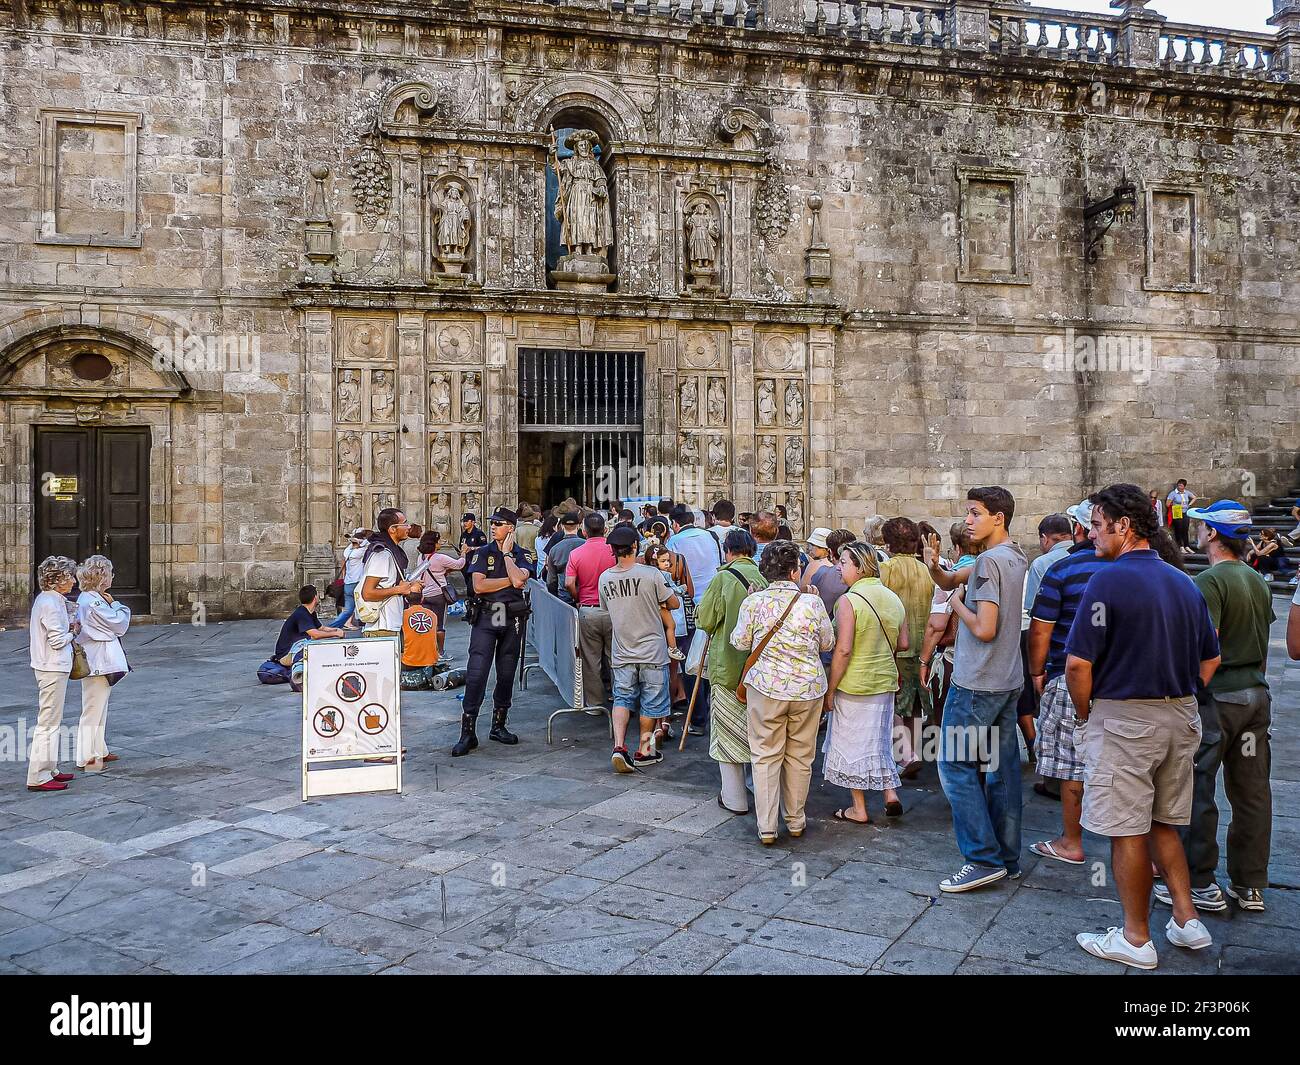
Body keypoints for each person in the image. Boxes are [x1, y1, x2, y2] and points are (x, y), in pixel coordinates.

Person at [1067, 484, 1220, 970]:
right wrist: (1179, 691)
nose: (1091, 534)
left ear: (1123, 525)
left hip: (1126, 717)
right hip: (1180, 716)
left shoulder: (1106, 583)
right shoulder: (1183, 581)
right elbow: (1211, 657)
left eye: (1095, 524)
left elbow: (1076, 665)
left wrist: (1086, 712)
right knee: (1164, 822)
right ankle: (1186, 916)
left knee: (1126, 830)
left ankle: (1135, 938)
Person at [1158, 500, 1274, 914]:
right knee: (1252, 793)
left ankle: (1200, 880)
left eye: (1202, 527)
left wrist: (1190, 692)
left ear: (1211, 534)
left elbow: (1205, 645)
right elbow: (1262, 649)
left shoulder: (1209, 581)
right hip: (1255, 697)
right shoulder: (1256, 580)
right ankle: (1249, 884)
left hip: (1218, 698)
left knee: (1197, 788)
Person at [925, 487, 1028, 893]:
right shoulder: (1014, 555)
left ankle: (981, 858)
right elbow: (950, 577)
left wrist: (955, 606)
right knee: (1001, 772)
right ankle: (1005, 858)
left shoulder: (988, 562)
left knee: (954, 767)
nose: (968, 520)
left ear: (998, 517)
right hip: (1007, 679)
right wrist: (934, 567)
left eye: (975, 513)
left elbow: (983, 628)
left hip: (976, 682)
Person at [730, 541, 835, 845]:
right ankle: (796, 819)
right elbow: (827, 643)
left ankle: (766, 826)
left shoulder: (754, 603)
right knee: (801, 755)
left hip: (766, 688)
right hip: (807, 688)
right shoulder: (812, 603)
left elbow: (739, 642)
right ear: (793, 571)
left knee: (764, 755)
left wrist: (750, 603)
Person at [1025, 499, 1109, 863]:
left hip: (1067, 672)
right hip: (1120, 682)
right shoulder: (1131, 568)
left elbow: (1040, 630)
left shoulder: (1063, 569)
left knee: (1071, 762)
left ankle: (1072, 841)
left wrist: (1037, 672)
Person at [824, 541, 908, 824]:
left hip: (855, 682)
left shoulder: (849, 601)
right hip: (884, 681)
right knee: (879, 741)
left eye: (844, 562)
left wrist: (831, 689)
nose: (839, 566)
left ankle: (858, 807)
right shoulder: (892, 598)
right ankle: (890, 793)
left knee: (852, 744)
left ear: (859, 568)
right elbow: (904, 641)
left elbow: (844, 649)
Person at [695, 529, 767, 813]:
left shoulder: (724, 577)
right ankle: (758, 789)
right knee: (757, 731)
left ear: (728, 551)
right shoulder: (762, 578)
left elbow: (706, 619)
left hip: (728, 666)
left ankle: (734, 796)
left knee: (726, 733)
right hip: (758, 669)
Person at [600, 525, 680, 771]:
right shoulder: (650, 574)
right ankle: (645, 750)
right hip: (652, 649)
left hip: (623, 649)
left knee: (622, 698)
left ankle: (619, 746)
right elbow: (673, 603)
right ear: (635, 546)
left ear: (613, 550)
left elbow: (606, 609)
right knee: (652, 702)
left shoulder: (605, 578)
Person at [455, 507, 532, 756]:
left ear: (511, 527)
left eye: (498, 523)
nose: (493, 527)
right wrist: (512, 579)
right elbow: (479, 585)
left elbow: (522, 578)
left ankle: (499, 725)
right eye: (493, 523)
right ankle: (468, 731)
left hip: (510, 616)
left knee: (506, 671)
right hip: (488, 614)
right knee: (477, 671)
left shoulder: (522, 554)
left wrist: (508, 557)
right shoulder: (483, 553)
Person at [879, 517, 933, 777]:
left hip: (896, 648)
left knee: (895, 704)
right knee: (915, 707)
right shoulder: (926, 569)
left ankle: (903, 754)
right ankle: (913, 752)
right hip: (923, 647)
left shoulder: (886, 569)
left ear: (888, 543)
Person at [74, 555, 132, 773]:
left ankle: (99, 748)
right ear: (102, 577)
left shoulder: (89, 598)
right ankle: (85, 756)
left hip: (100, 657)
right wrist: (117, 605)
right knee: (93, 707)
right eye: (110, 572)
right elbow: (118, 624)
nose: (112, 576)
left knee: (100, 706)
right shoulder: (94, 601)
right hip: (98, 659)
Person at [668, 503, 723, 731]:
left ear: (675, 524)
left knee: (690, 662)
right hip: (713, 599)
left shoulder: (675, 542)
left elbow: (671, 572)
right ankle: (708, 703)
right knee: (707, 655)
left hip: (688, 605)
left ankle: (698, 716)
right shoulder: (710, 537)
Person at [27, 556, 80, 792]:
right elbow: (57, 640)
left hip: (52, 665)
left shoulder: (51, 599)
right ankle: (38, 775)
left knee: (52, 721)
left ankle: (50, 768)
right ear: (59, 579)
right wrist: (74, 632)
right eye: (70, 576)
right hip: (51, 666)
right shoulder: (50, 602)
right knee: (47, 722)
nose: (74, 581)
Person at [566, 512, 616, 711]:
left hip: (589, 610)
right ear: (605, 530)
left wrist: (578, 597)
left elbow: (569, 582)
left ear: (584, 531)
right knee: (616, 657)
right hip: (614, 609)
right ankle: (621, 698)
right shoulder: (614, 551)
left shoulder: (576, 553)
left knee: (591, 659)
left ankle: (595, 704)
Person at [359, 509, 422, 637]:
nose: (408, 527)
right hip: (382, 627)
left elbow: (389, 584)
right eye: (405, 523)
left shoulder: (391, 551)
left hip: (391, 624)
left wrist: (409, 585)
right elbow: (367, 593)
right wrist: (400, 589)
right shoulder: (382, 555)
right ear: (392, 529)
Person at [416, 529, 464, 659]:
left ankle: (428, 650)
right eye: (438, 541)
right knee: (440, 625)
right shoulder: (439, 557)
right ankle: (441, 652)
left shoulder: (420, 557)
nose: (440, 543)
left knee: (427, 624)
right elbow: (459, 564)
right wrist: (464, 553)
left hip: (425, 594)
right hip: (438, 595)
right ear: (434, 543)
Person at [645, 543, 688, 668]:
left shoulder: (646, 574)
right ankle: (673, 647)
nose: (667, 564)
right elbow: (672, 590)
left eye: (668, 561)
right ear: (654, 562)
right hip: (663, 605)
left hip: (653, 607)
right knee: (671, 625)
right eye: (663, 561)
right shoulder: (665, 575)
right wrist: (683, 589)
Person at [400, 591, 442, 690]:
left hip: (409, 662)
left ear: (406, 600)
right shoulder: (432, 615)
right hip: (430, 662)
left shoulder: (402, 615)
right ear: (422, 599)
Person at [544, 511, 584, 603]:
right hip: (584, 596)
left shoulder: (554, 549)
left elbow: (551, 580)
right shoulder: (585, 545)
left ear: (562, 526)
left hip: (563, 596)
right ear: (578, 526)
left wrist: (555, 596)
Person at [335, 528, 370, 630]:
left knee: (349, 605)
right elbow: (368, 543)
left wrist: (353, 539)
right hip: (357, 581)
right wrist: (359, 539)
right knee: (360, 602)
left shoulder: (348, 551)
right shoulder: (360, 552)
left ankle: (345, 622)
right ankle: (360, 621)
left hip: (348, 581)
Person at [799, 528, 835, 592]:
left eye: (813, 545)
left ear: (823, 549)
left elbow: (802, 588)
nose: (810, 548)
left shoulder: (814, 565)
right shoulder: (837, 564)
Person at [1166, 479, 1197, 552]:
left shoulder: (1187, 493)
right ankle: (1181, 546)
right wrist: (1176, 505)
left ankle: (1187, 546)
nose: (1179, 487)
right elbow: (1167, 504)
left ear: (1184, 486)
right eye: (1178, 485)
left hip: (1185, 512)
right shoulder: (1173, 493)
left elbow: (1194, 497)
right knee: (1178, 529)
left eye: (1181, 485)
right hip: (1177, 512)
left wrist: (1189, 504)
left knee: (1185, 529)